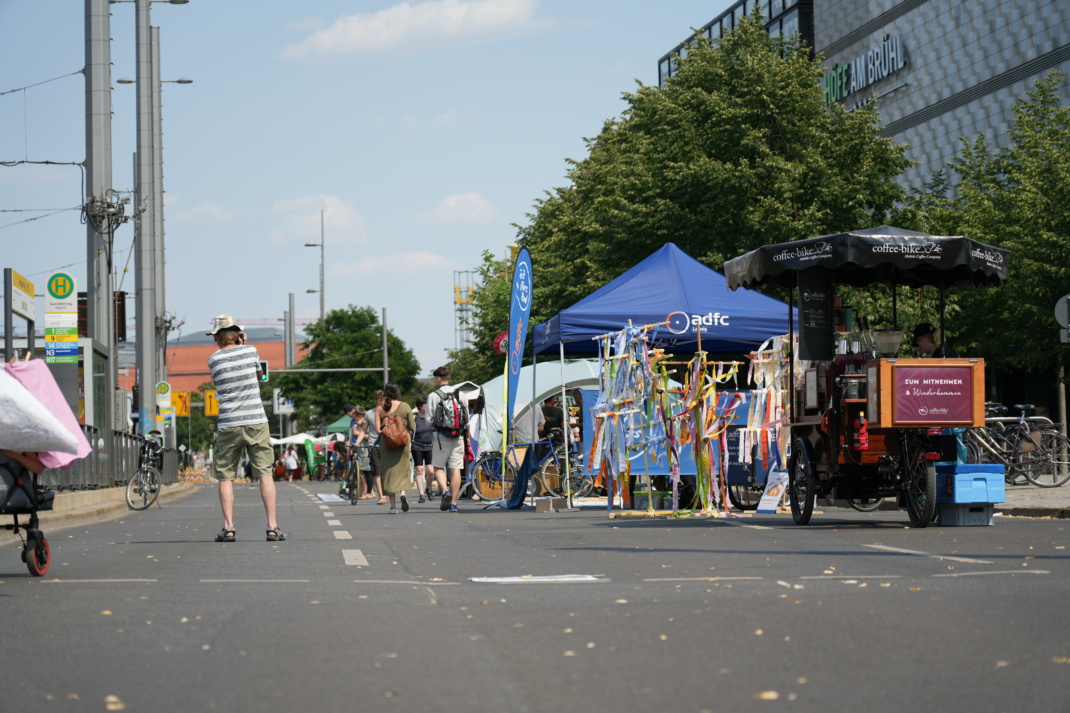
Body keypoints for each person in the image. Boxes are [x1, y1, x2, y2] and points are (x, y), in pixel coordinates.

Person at [205, 314, 284, 543]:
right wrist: (244, 344)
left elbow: (217, 382)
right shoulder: (250, 351)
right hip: (255, 420)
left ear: (218, 337)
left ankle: (229, 527)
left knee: (225, 476)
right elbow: (259, 376)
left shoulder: (213, 359)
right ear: (237, 334)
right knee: (265, 473)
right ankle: (272, 527)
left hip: (228, 422)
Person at [426, 365, 468, 513]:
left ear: (438, 379)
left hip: (440, 437)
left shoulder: (433, 396)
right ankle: (454, 504)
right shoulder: (460, 394)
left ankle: (445, 491)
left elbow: (428, 421)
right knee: (456, 469)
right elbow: (466, 419)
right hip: (458, 436)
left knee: (438, 467)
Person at [374, 382, 415, 514]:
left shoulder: (380, 409)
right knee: (403, 470)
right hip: (403, 442)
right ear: (398, 392)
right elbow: (413, 426)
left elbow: (378, 431)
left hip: (387, 443)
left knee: (389, 472)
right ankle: (403, 493)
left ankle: (393, 507)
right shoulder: (405, 406)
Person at [346, 405, 376, 499]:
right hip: (358, 448)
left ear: (360, 416)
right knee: (360, 471)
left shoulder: (367, 423)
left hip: (365, 448)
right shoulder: (356, 423)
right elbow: (352, 434)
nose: (355, 420)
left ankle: (369, 492)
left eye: (356, 418)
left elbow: (370, 437)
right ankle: (363, 492)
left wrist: (358, 433)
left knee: (366, 471)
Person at [365, 391, 387, 504]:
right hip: (373, 444)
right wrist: (356, 443)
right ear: (379, 401)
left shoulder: (390, 411)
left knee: (387, 470)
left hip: (387, 444)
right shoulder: (369, 414)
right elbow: (363, 430)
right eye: (385, 400)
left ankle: (388, 492)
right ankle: (381, 496)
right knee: (377, 470)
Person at [411, 396, 434, 502]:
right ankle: (421, 495)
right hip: (417, 446)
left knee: (430, 471)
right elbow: (409, 432)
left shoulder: (431, 417)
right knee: (419, 470)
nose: (428, 406)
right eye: (426, 404)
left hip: (430, 446)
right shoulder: (414, 418)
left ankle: (428, 488)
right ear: (420, 407)